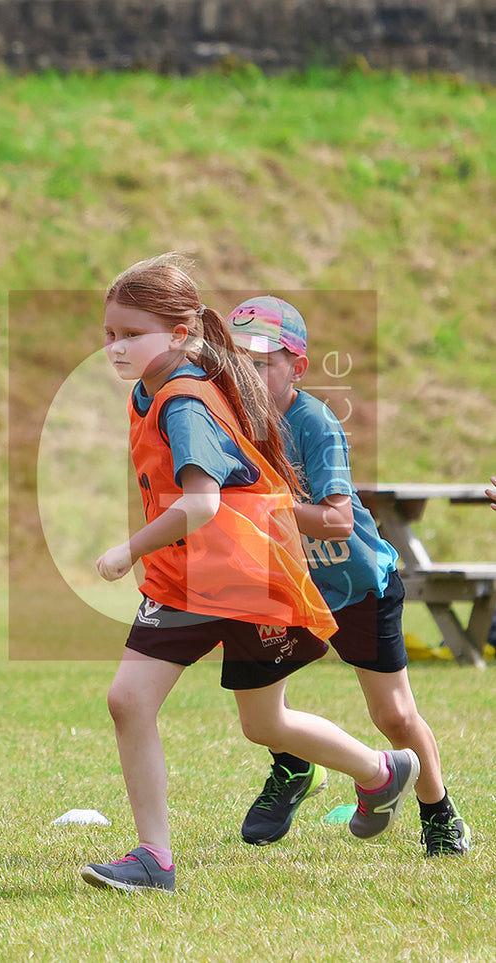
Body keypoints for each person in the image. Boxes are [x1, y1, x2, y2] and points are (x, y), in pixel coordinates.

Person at [83, 255, 421, 893]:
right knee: (133, 701)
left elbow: (203, 503)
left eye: (133, 333)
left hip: (241, 577)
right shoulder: (154, 388)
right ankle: (155, 858)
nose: (117, 346)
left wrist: (128, 549)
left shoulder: (183, 401)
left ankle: (378, 770)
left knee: (263, 722)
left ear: (182, 334)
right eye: (110, 334)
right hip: (188, 579)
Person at [228, 295, 469, 856]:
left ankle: (439, 813)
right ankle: (292, 767)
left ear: (297, 368)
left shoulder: (312, 422)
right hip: (286, 587)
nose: (248, 376)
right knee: (260, 715)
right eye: (239, 363)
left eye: (263, 363)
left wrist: (266, 509)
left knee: (394, 716)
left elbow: (336, 521)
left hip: (358, 585)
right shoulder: (227, 422)